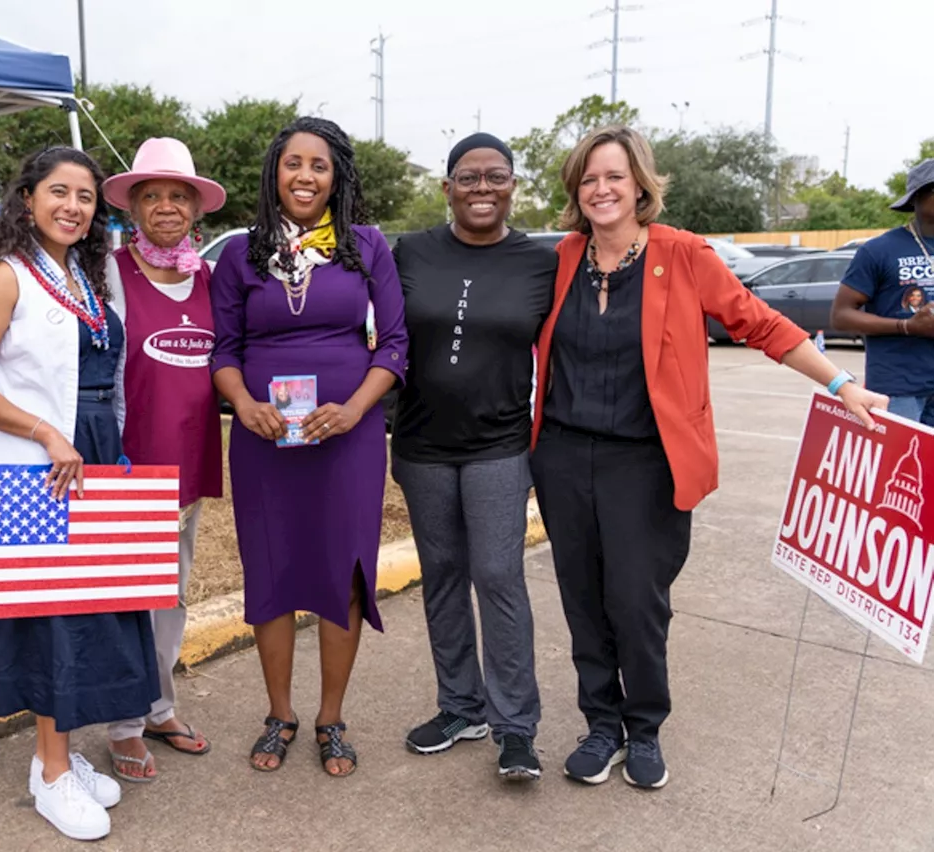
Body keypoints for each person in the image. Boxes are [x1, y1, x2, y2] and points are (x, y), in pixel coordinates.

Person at [529, 125, 887, 791]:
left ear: (640, 184)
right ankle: (600, 724)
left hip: (648, 462)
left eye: (613, 176)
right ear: (575, 192)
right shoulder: (564, 258)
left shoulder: (682, 254)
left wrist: (839, 382)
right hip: (562, 455)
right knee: (581, 597)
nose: (601, 189)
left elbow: (757, 320)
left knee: (636, 600)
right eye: (588, 179)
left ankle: (645, 726)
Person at [0, 146, 157, 841]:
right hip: (36, 463)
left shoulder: (81, 276)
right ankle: (53, 768)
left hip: (88, 454)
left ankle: (53, 759)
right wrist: (44, 433)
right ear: (28, 198)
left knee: (93, 608)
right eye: (58, 192)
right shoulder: (3, 277)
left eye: (86, 197)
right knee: (51, 616)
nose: (73, 206)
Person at [209, 116, 409, 777]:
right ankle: (279, 714)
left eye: (318, 165)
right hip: (265, 439)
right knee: (272, 566)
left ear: (336, 178)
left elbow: (397, 344)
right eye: (292, 163)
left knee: (343, 570)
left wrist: (355, 410)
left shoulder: (367, 246)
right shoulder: (240, 252)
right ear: (275, 173)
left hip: (345, 440)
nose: (304, 176)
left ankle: (330, 718)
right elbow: (224, 348)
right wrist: (243, 404)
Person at [390, 132, 557, 781]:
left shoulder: (541, 263)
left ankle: (516, 726)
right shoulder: (411, 252)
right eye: (468, 177)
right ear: (447, 188)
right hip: (423, 444)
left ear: (513, 185)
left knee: (497, 574)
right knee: (443, 576)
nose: (482, 188)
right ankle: (461, 706)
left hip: (500, 444)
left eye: (495, 177)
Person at [98, 137, 227, 781]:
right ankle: (122, 728)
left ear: (196, 209)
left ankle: (157, 706)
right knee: (129, 595)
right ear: (134, 209)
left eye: (179, 195)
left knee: (170, 593)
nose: (167, 207)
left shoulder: (212, 278)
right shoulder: (109, 273)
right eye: (153, 196)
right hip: (128, 459)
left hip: (190, 459)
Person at [830, 159, 935, 426]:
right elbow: (841, 316)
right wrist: (906, 326)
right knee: (900, 466)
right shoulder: (879, 250)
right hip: (899, 388)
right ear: (918, 196)